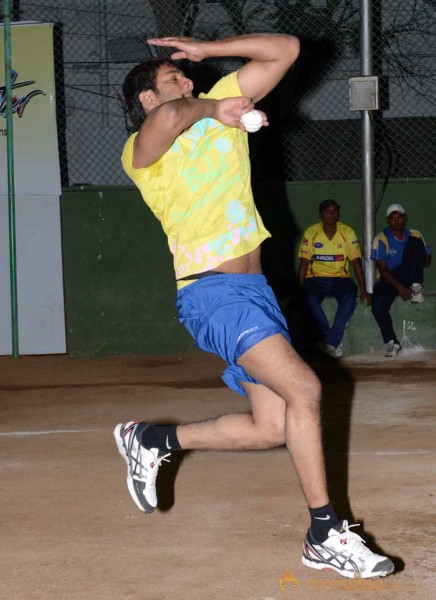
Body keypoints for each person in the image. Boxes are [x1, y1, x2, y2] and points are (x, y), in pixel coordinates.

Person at [114, 33, 394, 579]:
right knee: (306, 389)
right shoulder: (144, 150)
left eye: (188, 77)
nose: (188, 82)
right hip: (211, 295)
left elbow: (284, 50)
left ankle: (152, 439)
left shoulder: (214, 98)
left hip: (255, 295)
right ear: (147, 98)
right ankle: (324, 531)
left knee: (273, 427)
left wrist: (204, 49)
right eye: (173, 79)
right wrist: (215, 108)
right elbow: (172, 119)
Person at [297, 199, 371, 358]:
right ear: (320, 215)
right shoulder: (311, 232)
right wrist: (298, 289)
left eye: (335, 210)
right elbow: (303, 264)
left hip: (341, 279)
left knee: (349, 297)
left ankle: (330, 342)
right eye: (327, 210)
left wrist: (364, 290)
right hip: (315, 279)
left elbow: (356, 264)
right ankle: (331, 341)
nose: (332, 213)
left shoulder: (347, 232)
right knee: (309, 299)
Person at [371, 203, 432, 358]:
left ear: (405, 219)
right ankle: (392, 342)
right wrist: (400, 288)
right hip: (389, 277)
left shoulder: (415, 234)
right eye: (393, 218)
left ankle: (416, 288)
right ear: (387, 220)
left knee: (414, 242)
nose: (396, 221)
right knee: (377, 305)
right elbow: (382, 270)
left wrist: (419, 255)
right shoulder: (380, 238)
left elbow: (427, 261)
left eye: (399, 218)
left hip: (409, 273)